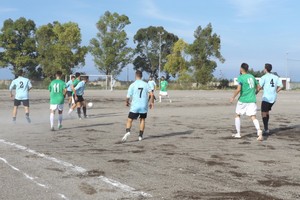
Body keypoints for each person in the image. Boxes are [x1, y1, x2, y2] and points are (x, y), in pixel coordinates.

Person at [230, 63, 263, 141]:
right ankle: (259, 130)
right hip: (252, 100)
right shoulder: (252, 76)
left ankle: (238, 133)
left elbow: (238, 89)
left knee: (237, 115)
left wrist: (233, 97)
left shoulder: (241, 78)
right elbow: (259, 87)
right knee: (253, 117)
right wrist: (255, 93)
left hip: (243, 100)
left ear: (241, 69)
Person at [122, 70, 154, 142]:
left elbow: (128, 96)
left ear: (135, 76)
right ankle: (140, 136)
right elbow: (151, 94)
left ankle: (128, 131)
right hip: (143, 105)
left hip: (135, 106)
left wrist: (127, 102)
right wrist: (151, 103)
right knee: (142, 120)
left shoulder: (132, 85)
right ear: (141, 76)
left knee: (130, 120)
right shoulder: (146, 84)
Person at [257, 63, 283, 135]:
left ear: (265, 69)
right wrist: (276, 91)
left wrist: (255, 93)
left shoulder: (264, 77)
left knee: (263, 113)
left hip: (266, 98)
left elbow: (259, 87)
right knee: (267, 111)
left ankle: (266, 129)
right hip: (273, 98)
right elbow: (281, 86)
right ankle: (266, 127)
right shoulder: (276, 77)